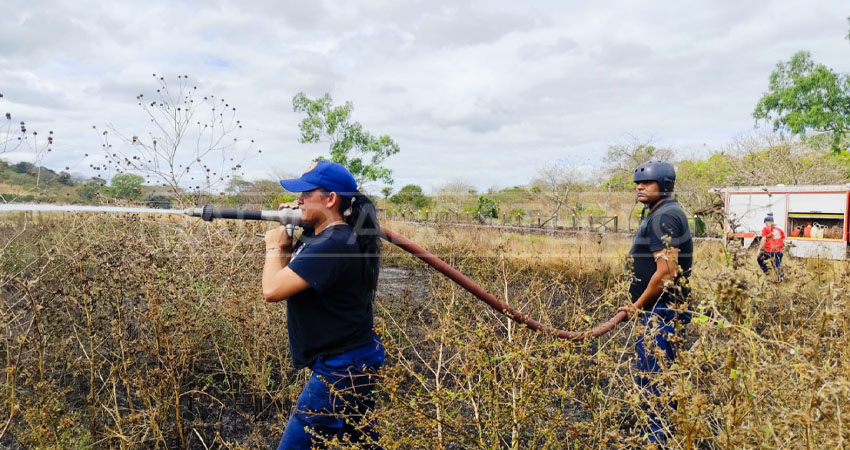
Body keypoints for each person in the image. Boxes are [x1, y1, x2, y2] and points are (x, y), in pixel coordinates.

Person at [262, 160, 384, 450]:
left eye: (306, 194)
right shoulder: (321, 237)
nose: (298, 200)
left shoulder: (333, 243)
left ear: (330, 199)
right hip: (352, 359)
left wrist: (272, 245)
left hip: (342, 369)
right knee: (361, 443)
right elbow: (291, 275)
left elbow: (273, 289)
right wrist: (287, 238)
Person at [617, 160, 693, 443]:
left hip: (660, 312)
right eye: (638, 183)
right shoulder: (660, 213)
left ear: (664, 185)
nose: (640, 187)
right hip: (657, 310)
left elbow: (667, 273)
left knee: (654, 380)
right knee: (656, 377)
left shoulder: (665, 216)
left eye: (646, 183)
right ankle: (659, 435)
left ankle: (656, 441)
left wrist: (637, 306)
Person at [757, 215, 785, 281]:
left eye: (766, 223)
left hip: (769, 251)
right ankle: (781, 279)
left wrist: (759, 249)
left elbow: (763, 239)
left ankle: (766, 271)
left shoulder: (765, 229)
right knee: (777, 266)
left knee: (759, 259)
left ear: (770, 222)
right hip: (778, 251)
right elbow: (783, 241)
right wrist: (780, 248)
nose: (766, 225)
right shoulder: (780, 230)